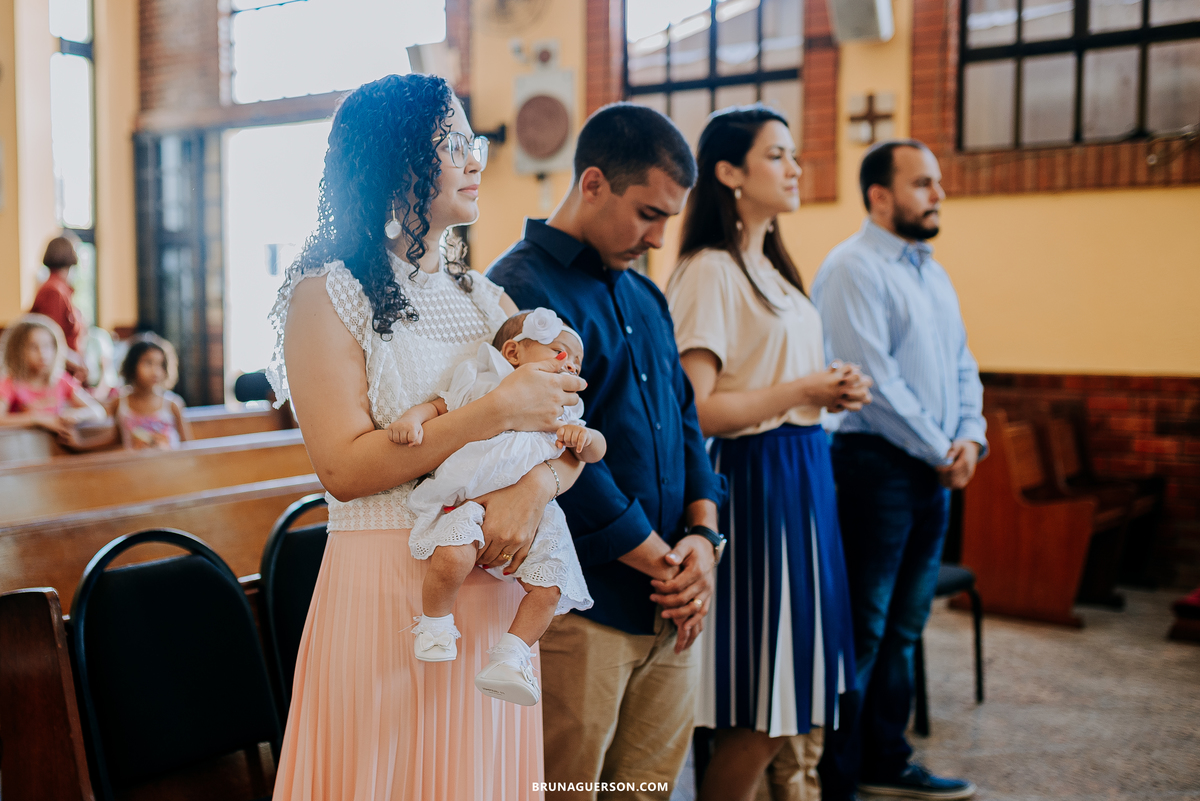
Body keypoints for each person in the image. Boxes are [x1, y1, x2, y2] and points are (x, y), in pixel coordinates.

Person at [266, 73, 586, 800]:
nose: (474, 159)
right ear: (395, 159)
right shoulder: (327, 292)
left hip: (491, 589)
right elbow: (343, 468)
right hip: (386, 584)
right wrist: (495, 410)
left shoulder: (487, 300)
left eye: (471, 142)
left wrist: (535, 489)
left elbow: (565, 436)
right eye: (452, 143)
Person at [487, 102, 727, 801]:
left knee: (646, 790)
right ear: (593, 183)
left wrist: (704, 539)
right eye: (647, 213)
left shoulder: (646, 294)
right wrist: (663, 560)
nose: (656, 237)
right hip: (581, 604)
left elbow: (686, 423)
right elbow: (547, 448)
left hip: (672, 591)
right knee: (562, 790)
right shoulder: (522, 290)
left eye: (668, 218)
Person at [666, 105, 872, 801]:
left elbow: (777, 380)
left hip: (802, 474)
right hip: (751, 485)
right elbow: (695, 410)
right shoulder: (710, 269)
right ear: (728, 172)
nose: (795, 167)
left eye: (793, 154)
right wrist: (802, 387)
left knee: (791, 693)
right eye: (777, 155)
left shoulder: (773, 267)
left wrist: (828, 390)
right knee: (763, 701)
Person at [812, 140, 987, 801]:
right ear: (880, 194)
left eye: (937, 182)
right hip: (874, 468)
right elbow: (874, 384)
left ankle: (889, 757)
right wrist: (944, 450)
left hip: (930, 469)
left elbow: (964, 362)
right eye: (923, 183)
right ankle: (838, 776)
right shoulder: (853, 267)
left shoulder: (930, 270)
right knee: (863, 627)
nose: (937, 193)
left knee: (908, 627)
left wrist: (971, 437)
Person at [393, 308, 601, 706]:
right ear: (513, 352)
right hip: (471, 496)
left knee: (549, 588)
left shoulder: (563, 408)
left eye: (576, 361)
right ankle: (435, 625)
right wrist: (412, 418)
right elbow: (441, 406)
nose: (571, 363)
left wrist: (584, 437)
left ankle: (511, 656)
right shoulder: (482, 382)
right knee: (452, 556)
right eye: (559, 351)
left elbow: (597, 451)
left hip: (537, 515)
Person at [0, 313, 106, 444]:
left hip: (55, 448)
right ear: (17, 351)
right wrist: (37, 419)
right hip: (19, 449)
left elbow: (98, 411)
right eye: (33, 347)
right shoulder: (10, 384)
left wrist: (77, 416)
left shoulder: (61, 381)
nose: (42, 353)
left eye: (47, 346)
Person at [109, 334, 192, 450]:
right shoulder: (119, 404)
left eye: (160, 365)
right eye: (148, 363)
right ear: (132, 365)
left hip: (169, 465)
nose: (155, 371)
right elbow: (116, 442)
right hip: (133, 466)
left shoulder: (173, 404)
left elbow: (187, 447)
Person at [30, 236, 89, 382]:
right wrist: (77, 364)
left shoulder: (61, 289)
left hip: (68, 371)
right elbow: (51, 338)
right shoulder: (53, 291)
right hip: (58, 374)